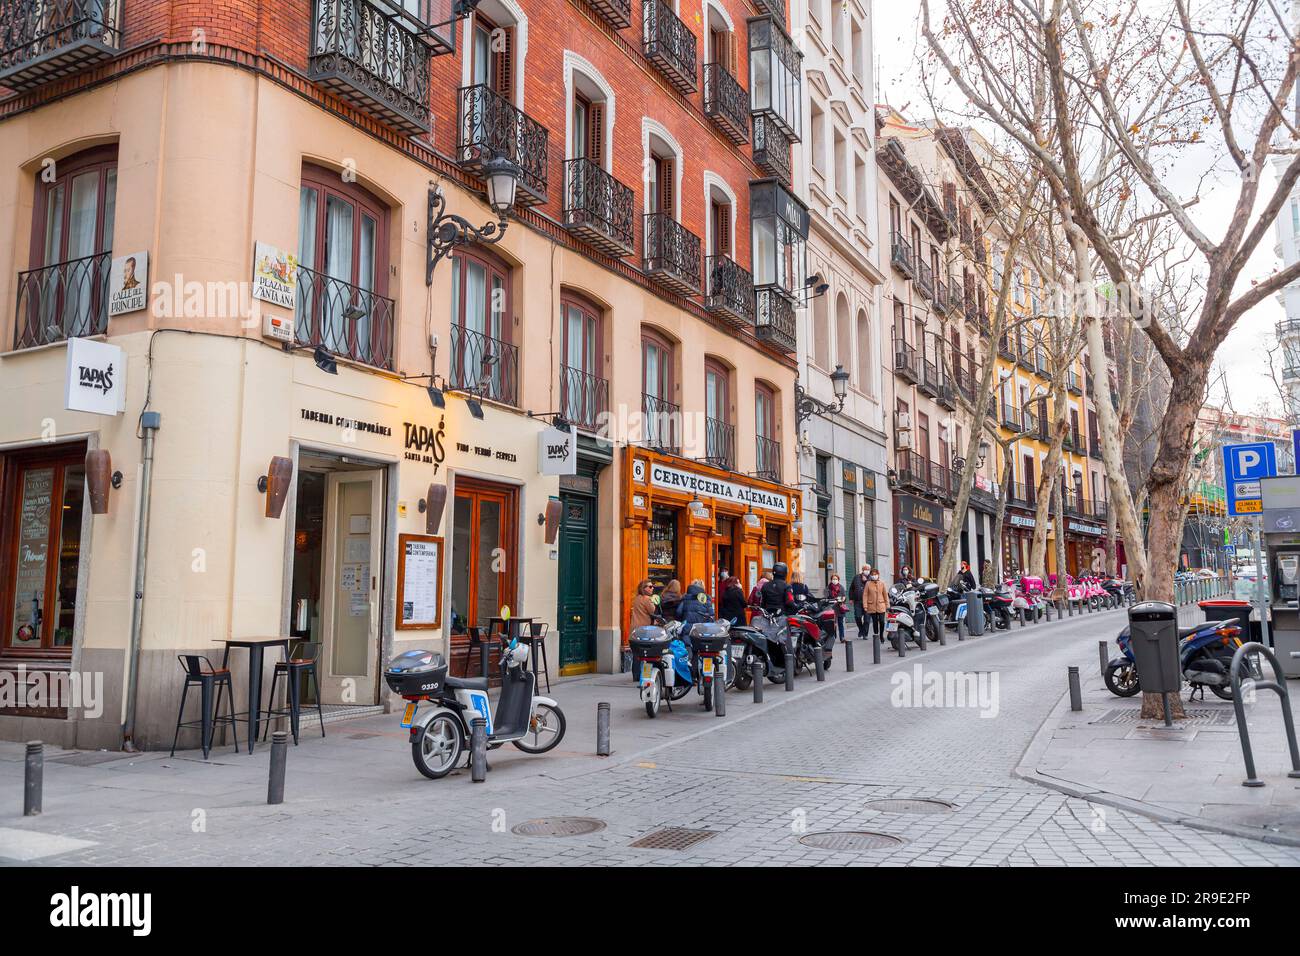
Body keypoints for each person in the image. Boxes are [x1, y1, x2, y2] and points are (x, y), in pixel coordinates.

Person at [864, 567, 889, 643]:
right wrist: (865, 606)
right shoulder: (868, 584)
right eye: (872, 574)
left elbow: (885, 595)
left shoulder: (882, 583)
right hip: (872, 606)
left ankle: (881, 635)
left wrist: (887, 605)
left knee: (882, 621)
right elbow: (865, 595)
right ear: (870, 575)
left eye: (875, 574)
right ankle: (876, 635)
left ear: (878, 575)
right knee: (874, 622)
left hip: (881, 605)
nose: (874, 576)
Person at [848, 564, 872, 638]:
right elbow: (851, 588)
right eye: (865, 569)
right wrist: (851, 598)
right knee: (857, 617)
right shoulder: (856, 577)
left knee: (867, 619)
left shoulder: (871, 579)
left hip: (868, 602)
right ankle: (861, 629)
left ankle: (865, 634)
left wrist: (866, 580)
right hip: (858, 601)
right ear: (862, 569)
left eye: (868, 569)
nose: (867, 570)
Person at [827, 571, 848, 641]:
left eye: (836, 579)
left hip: (840, 608)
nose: (834, 580)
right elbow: (826, 597)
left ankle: (842, 637)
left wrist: (842, 599)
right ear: (831, 579)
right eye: (833, 579)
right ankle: (834, 636)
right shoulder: (828, 588)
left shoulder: (841, 587)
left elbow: (844, 597)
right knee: (833, 623)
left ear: (838, 580)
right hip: (832, 608)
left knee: (840, 623)